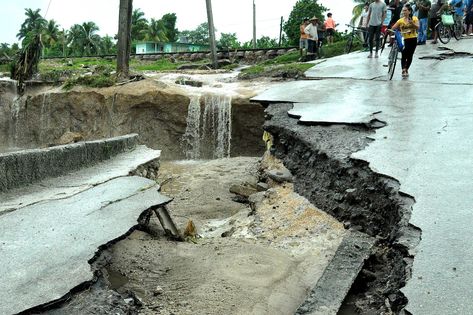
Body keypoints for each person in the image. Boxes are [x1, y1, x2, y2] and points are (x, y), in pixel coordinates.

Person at [392, 3, 419, 77]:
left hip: (413, 39)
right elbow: (393, 27)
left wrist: (412, 24)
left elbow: (417, 27)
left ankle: (406, 69)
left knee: (410, 55)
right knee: (404, 53)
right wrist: (390, 30)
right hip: (406, 39)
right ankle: (403, 69)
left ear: (409, 11)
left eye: (405, 10)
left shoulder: (414, 18)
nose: (404, 12)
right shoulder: (400, 20)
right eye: (403, 11)